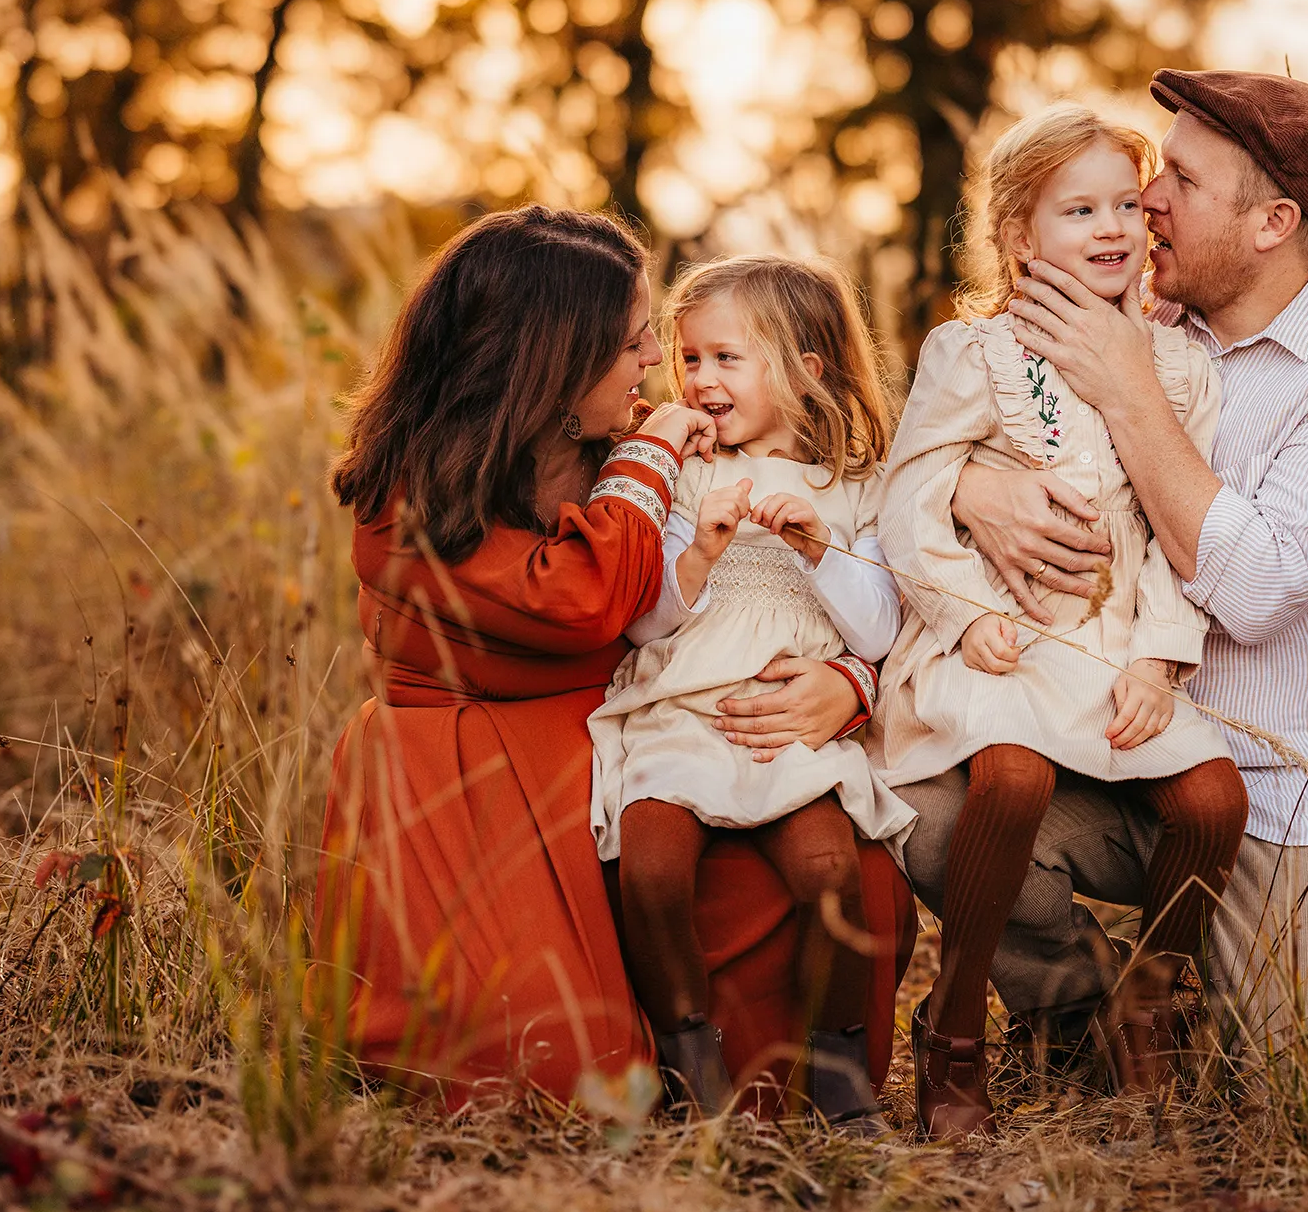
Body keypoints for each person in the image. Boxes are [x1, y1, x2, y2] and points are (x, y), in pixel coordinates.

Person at [914, 70, 1308, 1127]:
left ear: (1271, 223)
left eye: (1180, 181)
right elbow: (958, 437)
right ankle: (1078, 1010)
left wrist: (1127, 389)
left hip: (1275, 800)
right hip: (1104, 747)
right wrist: (976, 488)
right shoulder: (1133, 317)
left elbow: (1251, 589)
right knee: (928, 815)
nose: (1147, 200)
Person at [312, 207, 914, 1114]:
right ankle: (675, 1052)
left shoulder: (626, 441)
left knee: (856, 881)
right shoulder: (419, 489)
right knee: (562, 1071)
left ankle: (798, 1084)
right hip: (487, 777)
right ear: (557, 359)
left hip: (654, 735)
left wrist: (850, 682)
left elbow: (827, 588)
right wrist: (654, 452)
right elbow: (588, 599)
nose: (657, 369)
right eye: (639, 344)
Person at [874, 104, 1250, 1139]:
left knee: (1213, 800)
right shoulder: (972, 353)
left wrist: (1159, 659)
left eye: (1126, 204)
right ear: (1016, 237)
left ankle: (1149, 1002)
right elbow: (907, 497)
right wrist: (956, 616)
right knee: (1009, 773)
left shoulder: (1181, 369)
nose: (1111, 226)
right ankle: (953, 1034)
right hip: (1000, 632)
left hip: (1115, 645)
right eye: (1077, 207)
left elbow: (1184, 534)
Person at [588, 254, 916, 1130]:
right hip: (679, 716)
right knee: (651, 864)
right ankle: (694, 1065)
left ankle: (838, 1073)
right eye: (689, 359)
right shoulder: (681, 471)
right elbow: (641, 621)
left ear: (806, 369)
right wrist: (697, 552)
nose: (699, 379)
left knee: (830, 872)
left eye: (726, 358)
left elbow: (879, 631)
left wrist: (818, 552)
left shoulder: (853, 487)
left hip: (789, 734)